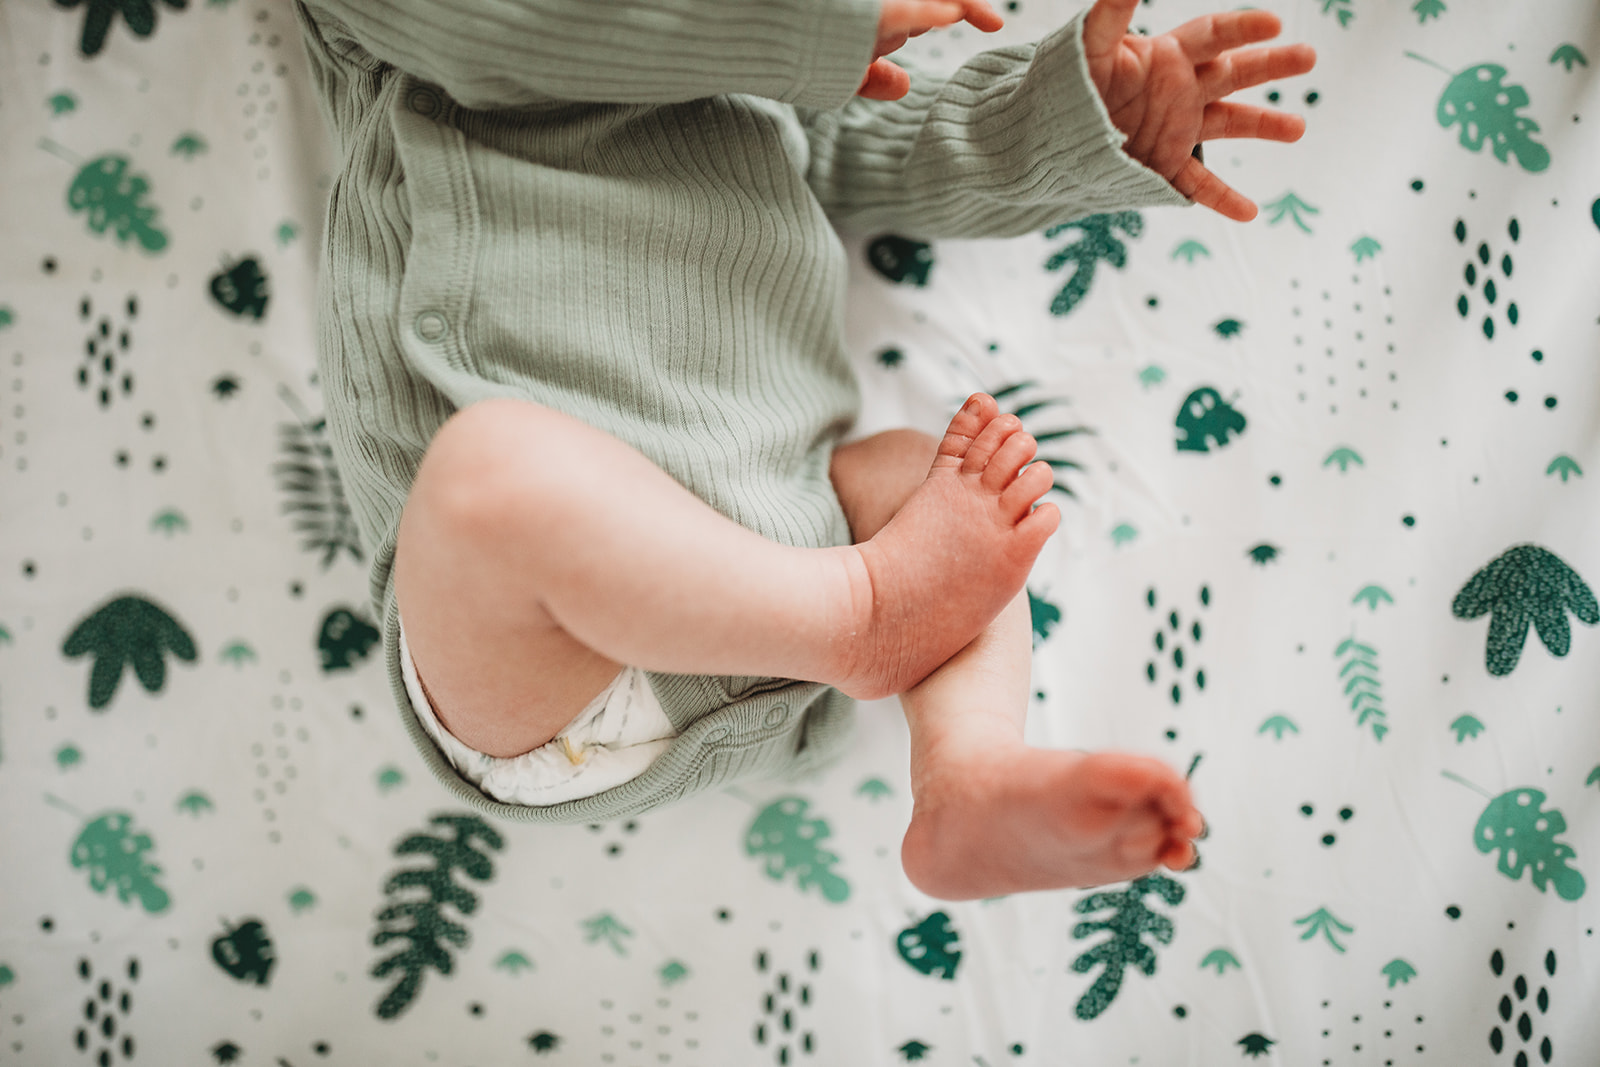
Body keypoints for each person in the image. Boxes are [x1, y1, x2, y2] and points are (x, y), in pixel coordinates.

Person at [292, 0, 1313, 899]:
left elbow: (885, 140)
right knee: (488, 478)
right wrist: (797, 28)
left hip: (791, 553)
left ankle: (965, 769)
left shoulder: (767, 75)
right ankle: (866, 618)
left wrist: (1079, 120)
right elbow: (506, 26)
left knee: (932, 471)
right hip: (554, 659)